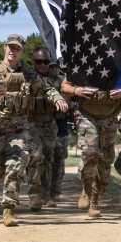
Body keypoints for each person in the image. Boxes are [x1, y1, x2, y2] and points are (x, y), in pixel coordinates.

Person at [0, 34, 67, 227]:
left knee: (17, 164)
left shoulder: (28, 74)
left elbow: (45, 88)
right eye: (10, 47)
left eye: (17, 48)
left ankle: (9, 209)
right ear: (5, 47)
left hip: (18, 129)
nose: (13, 51)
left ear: (21, 52)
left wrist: (58, 99)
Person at [59, 75, 121, 219]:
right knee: (90, 152)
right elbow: (64, 87)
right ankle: (87, 188)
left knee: (104, 166)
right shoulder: (82, 61)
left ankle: (95, 200)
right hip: (87, 116)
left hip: (109, 118)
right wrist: (75, 90)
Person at [26, 48, 63, 211]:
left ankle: (46, 193)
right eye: (38, 62)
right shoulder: (26, 78)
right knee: (36, 156)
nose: (42, 65)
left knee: (49, 160)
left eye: (46, 62)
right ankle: (34, 195)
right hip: (31, 123)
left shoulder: (58, 80)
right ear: (32, 62)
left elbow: (69, 97)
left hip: (50, 125)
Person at [47, 60, 71, 207]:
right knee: (44, 161)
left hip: (60, 128)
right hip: (44, 126)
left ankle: (54, 193)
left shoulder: (65, 82)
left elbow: (73, 103)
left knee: (58, 162)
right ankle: (43, 192)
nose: (54, 69)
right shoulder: (40, 81)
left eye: (56, 66)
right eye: (51, 67)